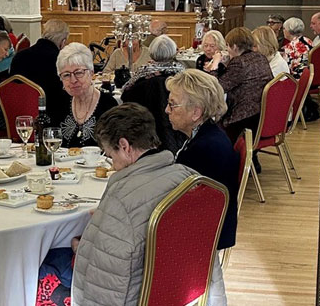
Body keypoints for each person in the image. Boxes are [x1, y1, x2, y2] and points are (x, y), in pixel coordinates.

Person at [70, 103, 199, 305]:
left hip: (136, 295)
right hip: (183, 290)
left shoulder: (122, 198)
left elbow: (106, 274)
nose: (111, 163)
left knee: (45, 265)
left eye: (109, 154)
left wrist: (83, 245)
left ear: (124, 146)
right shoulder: (190, 178)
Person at [164, 69, 236, 304]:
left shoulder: (204, 149)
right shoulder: (207, 136)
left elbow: (173, 202)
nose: (167, 110)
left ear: (196, 112)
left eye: (172, 105)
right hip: (208, 226)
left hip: (198, 235)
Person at [207, 27, 271, 143]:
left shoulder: (239, 63)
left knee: (208, 127)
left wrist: (215, 64)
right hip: (261, 114)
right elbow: (239, 77)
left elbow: (216, 88)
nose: (227, 49)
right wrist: (227, 62)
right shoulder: (260, 57)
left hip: (242, 118)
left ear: (235, 46)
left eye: (228, 46)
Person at [121, 35, 185, 151]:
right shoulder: (182, 77)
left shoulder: (142, 77)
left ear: (151, 53)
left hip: (145, 135)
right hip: (177, 134)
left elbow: (125, 97)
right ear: (173, 53)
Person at [55, 43, 118, 148]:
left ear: (91, 73)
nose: (73, 80)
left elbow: (116, 149)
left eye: (78, 73)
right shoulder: (58, 103)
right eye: (66, 75)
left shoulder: (108, 105)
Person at [11, 19, 70, 114]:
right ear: (63, 42)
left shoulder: (19, 56)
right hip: (51, 113)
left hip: (20, 113)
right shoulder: (59, 60)